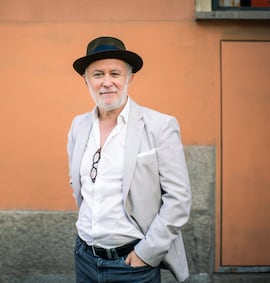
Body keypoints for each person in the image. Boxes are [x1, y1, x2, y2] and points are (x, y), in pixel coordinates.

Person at [67, 36, 192, 283]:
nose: (107, 82)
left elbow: (179, 199)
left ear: (130, 77)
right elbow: (79, 186)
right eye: (97, 74)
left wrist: (146, 254)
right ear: (86, 81)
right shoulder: (78, 126)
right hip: (85, 258)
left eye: (115, 73)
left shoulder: (160, 125)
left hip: (133, 265)